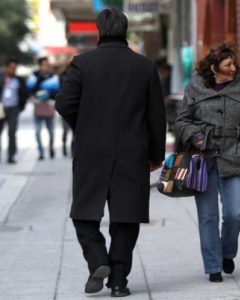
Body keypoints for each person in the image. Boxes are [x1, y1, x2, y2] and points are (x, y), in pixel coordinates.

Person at [55, 8, 166, 297]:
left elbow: (63, 103)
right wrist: (155, 154)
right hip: (133, 152)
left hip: (91, 151)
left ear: (99, 31)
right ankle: (118, 281)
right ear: (126, 30)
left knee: (83, 213)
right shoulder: (145, 66)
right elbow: (157, 116)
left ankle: (97, 260)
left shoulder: (82, 64)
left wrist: (85, 126)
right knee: (126, 217)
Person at [176, 43, 240, 282]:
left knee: (236, 214)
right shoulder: (195, 87)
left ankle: (227, 253)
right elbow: (182, 120)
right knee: (208, 216)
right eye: (228, 65)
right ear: (214, 68)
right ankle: (213, 267)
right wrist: (196, 137)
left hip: (233, 156)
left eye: (234, 63)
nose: (234, 68)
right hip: (202, 159)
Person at [26, 56, 60, 160]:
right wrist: (39, 80)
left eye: (47, 64)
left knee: (51, 131)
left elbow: (57, 89)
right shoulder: (34, 75)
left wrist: (48, 95)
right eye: (44, 64)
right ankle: (40, 152)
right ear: (40, 65)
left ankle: (51, 146)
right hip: (38, 106)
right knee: (37, 131)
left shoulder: (52, 76)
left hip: (49, 106)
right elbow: (29, 88)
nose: (46, 66)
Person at [0, 57, 28, 163]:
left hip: (13, 109)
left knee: (12, 132)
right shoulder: (1, 78)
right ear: (6, 68)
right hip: (1, 109)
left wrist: (21, 107)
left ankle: (11, 155)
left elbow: (24, 94)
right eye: (11, 67)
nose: (13, 70)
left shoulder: (19, 80)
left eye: (15, 68)